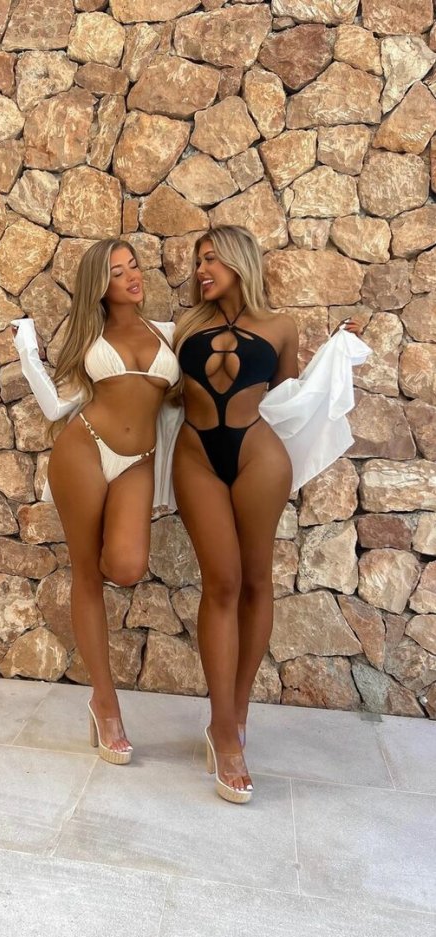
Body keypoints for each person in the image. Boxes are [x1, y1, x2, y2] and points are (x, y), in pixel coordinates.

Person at [171, 225, 361, 804]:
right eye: (198, 261)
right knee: (221, 582)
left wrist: (335, 355)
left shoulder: (280, 326)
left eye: (211, 258)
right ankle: (223, 730)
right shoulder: (184, 326)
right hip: (196, 456)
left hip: (259, 456)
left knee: (256, 581)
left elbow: (288, 399)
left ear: (239, 261)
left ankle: (236, 716)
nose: (202, 269)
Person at [12, 239, 180, 765]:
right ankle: (105, 705)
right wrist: (26, 348)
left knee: (126, 566)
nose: (131, 276)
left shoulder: (171, 334)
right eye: (117, 272)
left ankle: (98, 562)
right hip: (84, 449)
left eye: (134, 266)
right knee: (86, 573)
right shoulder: (90, 336)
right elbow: (54, 404)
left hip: (138, 461)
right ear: (100, 286)